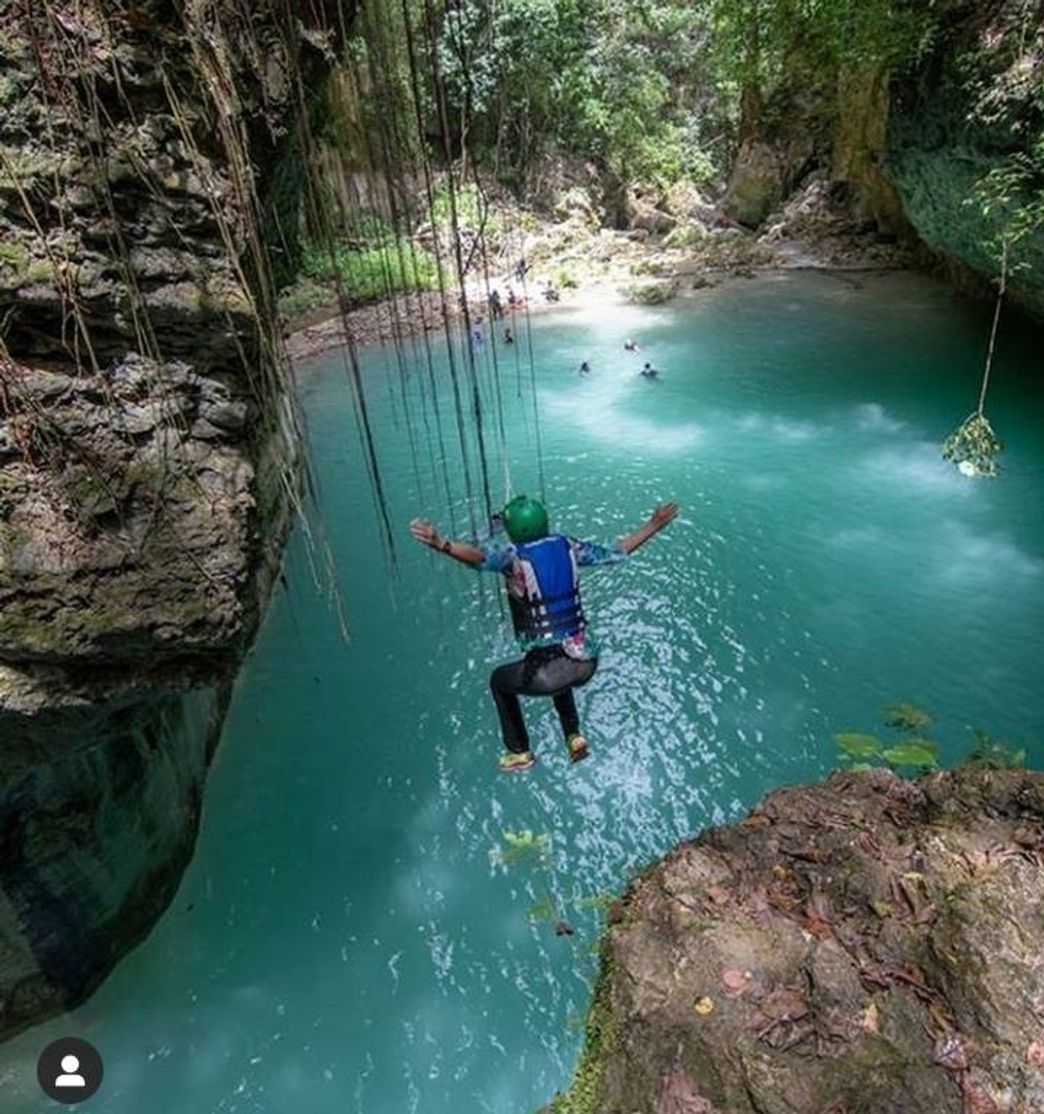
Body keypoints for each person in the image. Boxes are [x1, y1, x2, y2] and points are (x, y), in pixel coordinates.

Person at [409, 496, 679, 772]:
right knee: (555, 661)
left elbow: (479, 557)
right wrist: (654, 524)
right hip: (586, 662)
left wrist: (442, 543)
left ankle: (519, 751)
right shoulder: (567, 546)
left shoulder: (511, 556)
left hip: (548, 673)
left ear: (513, 531)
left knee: (500, 681)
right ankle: (573, 735)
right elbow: (617, 550)